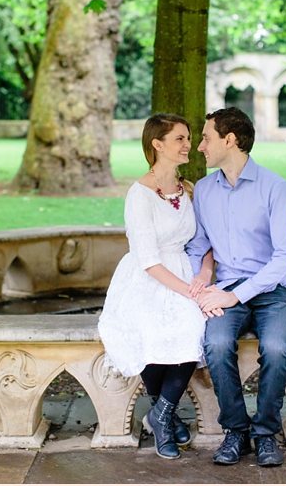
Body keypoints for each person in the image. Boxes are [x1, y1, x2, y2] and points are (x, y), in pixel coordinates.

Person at [186, 107, 286, 467]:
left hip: (274, 290)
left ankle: (265, 433)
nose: (200, 146)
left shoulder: (274, 187)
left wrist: (236, 294)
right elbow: (198, 245)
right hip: (226, 288)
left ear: (230, 140)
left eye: (206, 138)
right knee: (217, 345)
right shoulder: (204, 190)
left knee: (276, 347)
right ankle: (236, 430)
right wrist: (201, 281)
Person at [97, 113, 216, 460]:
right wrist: (187, 290)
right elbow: (148, 259)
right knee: (149, 331)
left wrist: (205, 273)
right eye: (179, 138)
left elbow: (205, 243)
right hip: (148, 276)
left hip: (186, 271)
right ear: (157, 144)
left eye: (189, 138)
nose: (188, 145)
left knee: (193, 329)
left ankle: (159, 415)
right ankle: (166, 417)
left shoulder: (190, 189)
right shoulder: (139, 195)